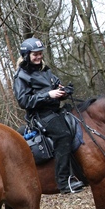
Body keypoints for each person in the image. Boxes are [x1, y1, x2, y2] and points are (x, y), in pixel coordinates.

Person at [13, 37, 84, 194]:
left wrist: (64, 91)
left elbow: (55, 87)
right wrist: (48, 95)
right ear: (26, 55)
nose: (38, 57)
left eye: (40, 53)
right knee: (63, 135)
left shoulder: (45, 70)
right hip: (40, 115)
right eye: (35, 54)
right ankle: (64, 181)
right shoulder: (21, 76)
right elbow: (24, 101)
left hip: (56, 110)